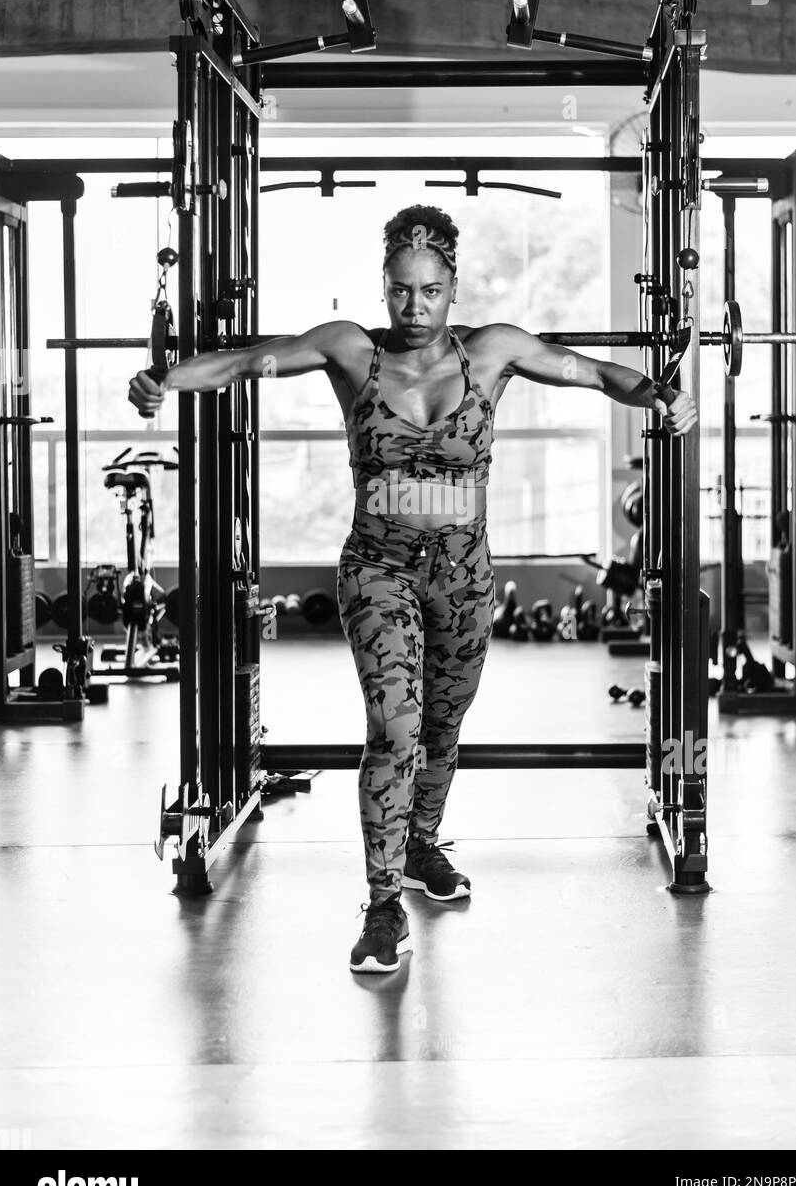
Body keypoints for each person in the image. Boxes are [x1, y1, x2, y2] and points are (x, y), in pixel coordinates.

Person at [129, 204, 697, 974]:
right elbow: (241, 362)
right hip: (378, 569)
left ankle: (421, 842)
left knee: (440, 727)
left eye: (429, 291)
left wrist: (660, 396)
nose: (414, 306)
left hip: (464, 576)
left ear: (452, 287)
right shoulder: (350, 352)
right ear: (384, 285)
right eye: (400, 290)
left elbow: (596, 373)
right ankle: (380, 907)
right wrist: (164, 379)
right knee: (393, 731)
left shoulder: (491, 353)